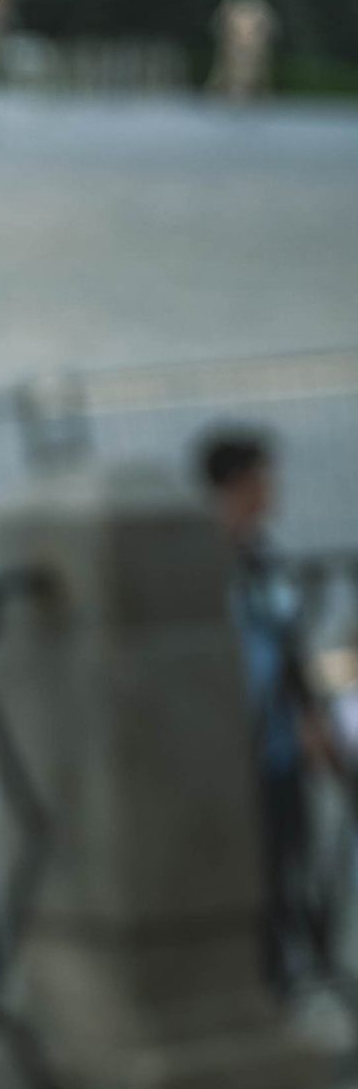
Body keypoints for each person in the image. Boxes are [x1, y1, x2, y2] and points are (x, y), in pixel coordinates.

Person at [200, 425, 332, 991]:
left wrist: (310, 713)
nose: (271, 489)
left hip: (277, 746)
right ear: (238, 484)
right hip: (231, 752)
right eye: (261, 478)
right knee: (249, 880)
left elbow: (288, 644)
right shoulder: (204, 561)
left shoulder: (259, 554)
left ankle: (284, 987)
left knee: (287, 870)